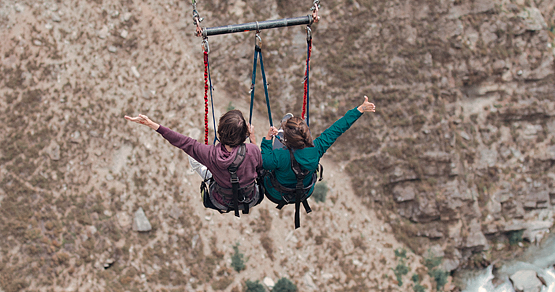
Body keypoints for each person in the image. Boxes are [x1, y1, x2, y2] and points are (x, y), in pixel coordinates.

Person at [261, 95, 376, 225]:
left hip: (276, 194)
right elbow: (337, 129)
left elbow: (264, 161)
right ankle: (283, 135)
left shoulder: (279, 156)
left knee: (266, 166)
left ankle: (280, 135)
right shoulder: (317, 148)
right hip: (304, 192)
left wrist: (267, 140)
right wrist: (360, 109)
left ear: (287, 140)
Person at [125, 109, 263, 215]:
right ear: (243, 134)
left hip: (221, 201)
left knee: (193, 157)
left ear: (220, 131)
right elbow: (259, 165)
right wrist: (252, 137)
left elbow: (182, 142)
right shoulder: (252, 150)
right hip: (250, 198)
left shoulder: (209, 154)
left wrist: (151, 124)